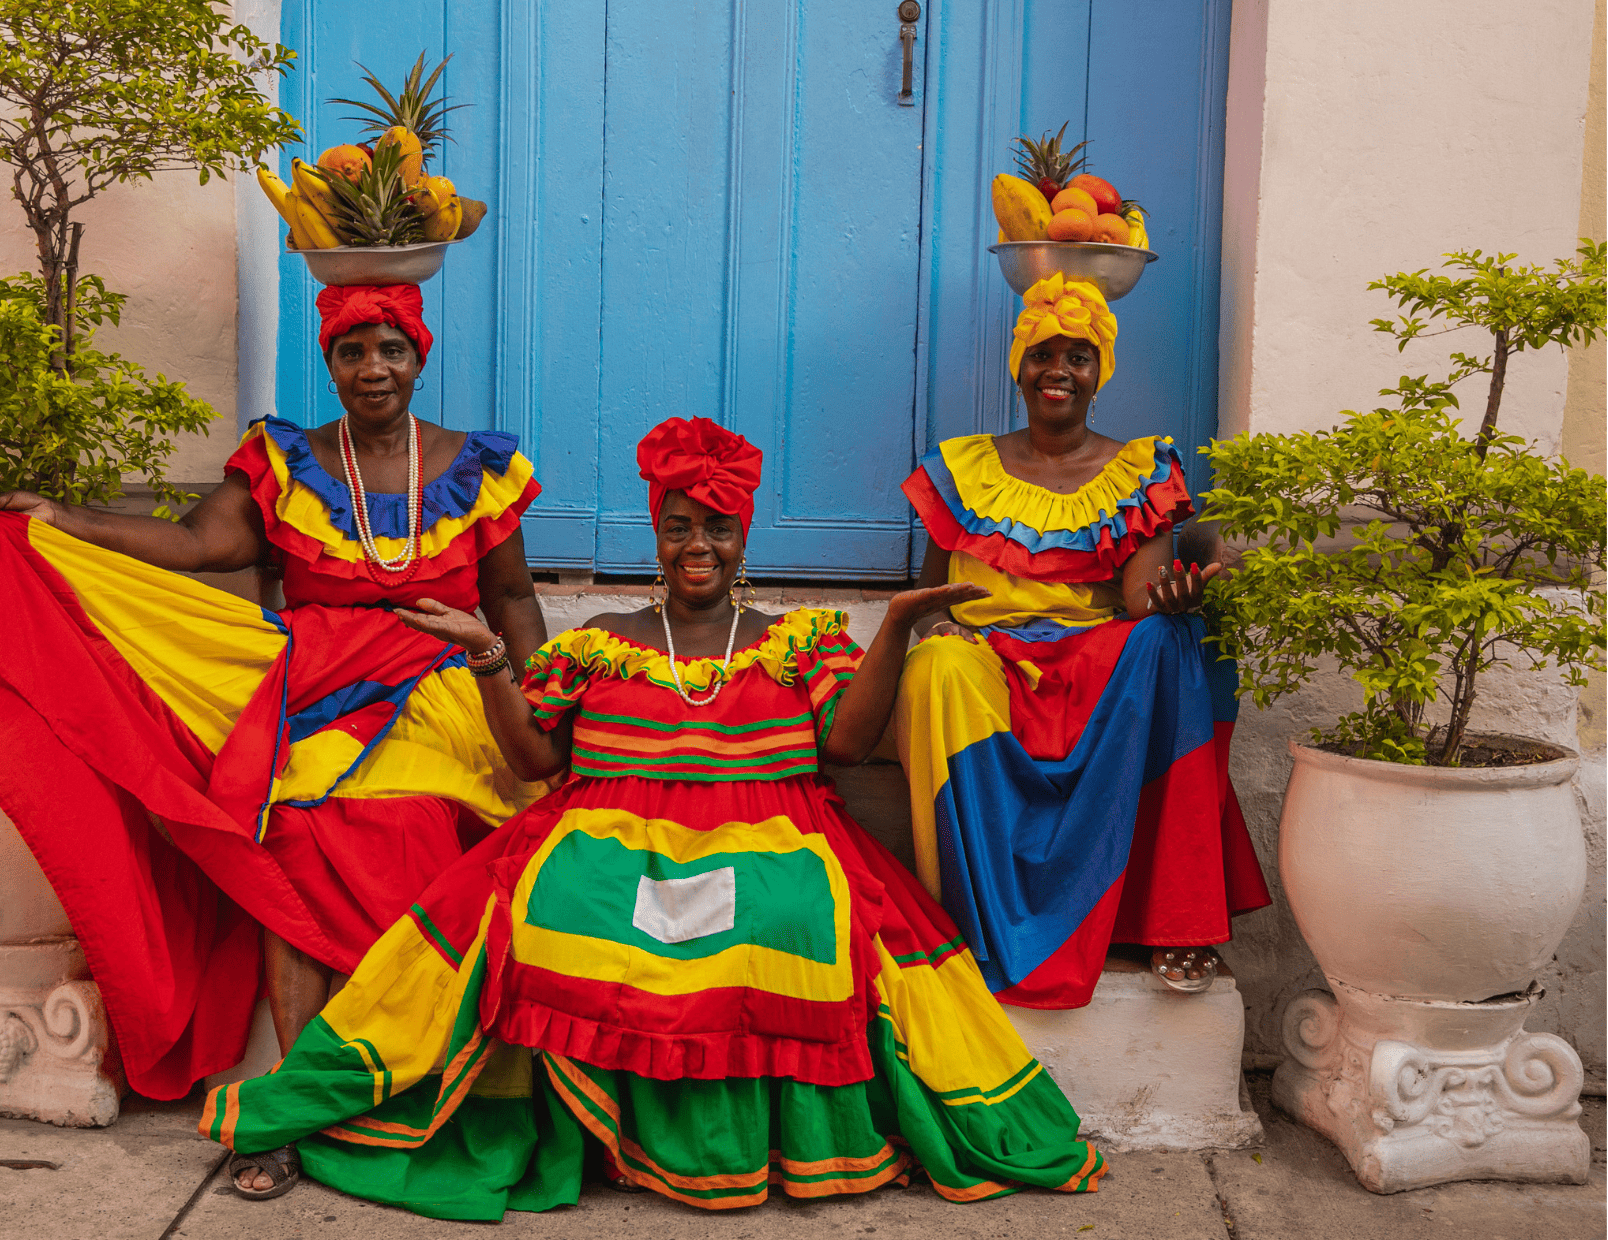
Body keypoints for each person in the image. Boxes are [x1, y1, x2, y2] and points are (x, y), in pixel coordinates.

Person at [198, 417, 1108, 1218]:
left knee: (786, 916)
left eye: (716, 527)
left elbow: (843, 746)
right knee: (570, 913)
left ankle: (725, 1149)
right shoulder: (601, 645)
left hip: (775, 828)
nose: (696, 545)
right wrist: (487, 659)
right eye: (679, 528)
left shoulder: (801, 642)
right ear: (656, 537)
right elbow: (535, 762)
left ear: (744, 535)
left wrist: (899, 625)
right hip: (603, 830)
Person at [0, 283, 552, 1166]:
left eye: (391, 350)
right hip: (312, 688)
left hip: (445, 692)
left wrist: (544, 709)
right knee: (291, 830)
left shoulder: (476, 467)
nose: (372, 369)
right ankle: (290, 1108)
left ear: (420, 356)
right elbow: (194, 545)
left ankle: (405, 1079)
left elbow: (515, 599)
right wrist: (68, 521)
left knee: (415, 817)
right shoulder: (284, 461)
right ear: (330, 364)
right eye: (352, 352)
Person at [894, 273, 1270, 1012]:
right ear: (1019, 367)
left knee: (1170, 639)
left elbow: (1139, 600)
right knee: (935, 663)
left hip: (1090, 657)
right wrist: (935, 627)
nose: (1058, 370)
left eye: (1078, 357)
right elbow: (929, 591)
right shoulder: (961, 467)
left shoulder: (1139, 472)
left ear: (1101, 374)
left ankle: (1175, 918)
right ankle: (973, 919)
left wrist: (1180, 594)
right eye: (1042, 354)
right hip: (984, 658)